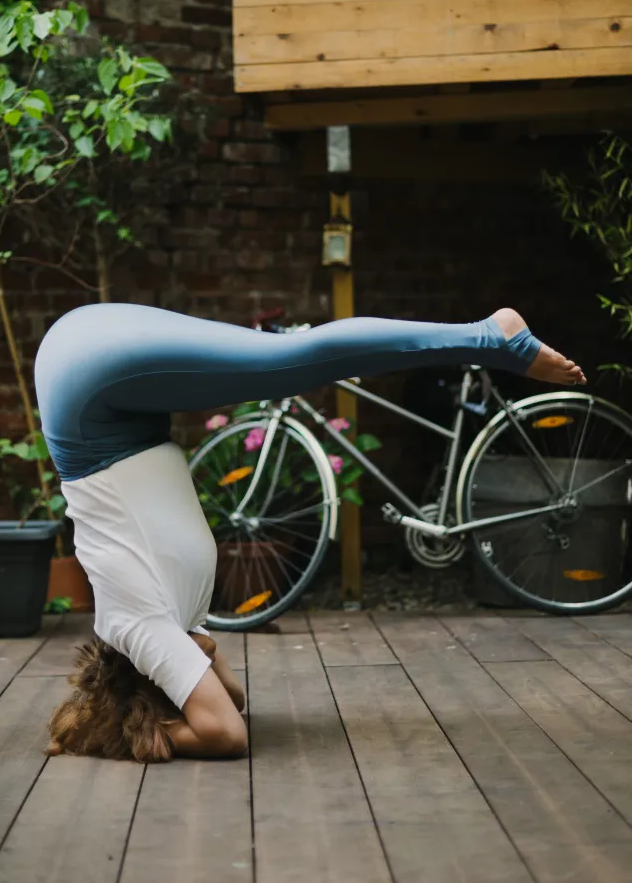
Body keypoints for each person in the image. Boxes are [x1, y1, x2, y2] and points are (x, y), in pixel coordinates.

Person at [35, 304, 585, 760]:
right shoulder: (167, 624)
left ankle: (491, 337)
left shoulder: (141, 628)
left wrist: (146, 739)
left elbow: (225, 730)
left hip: (91, 396)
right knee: (292, 359)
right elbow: (233, 696)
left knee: (297, 360)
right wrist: (183, 670)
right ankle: (488, 338)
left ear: (154, 690)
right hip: (91, 375)